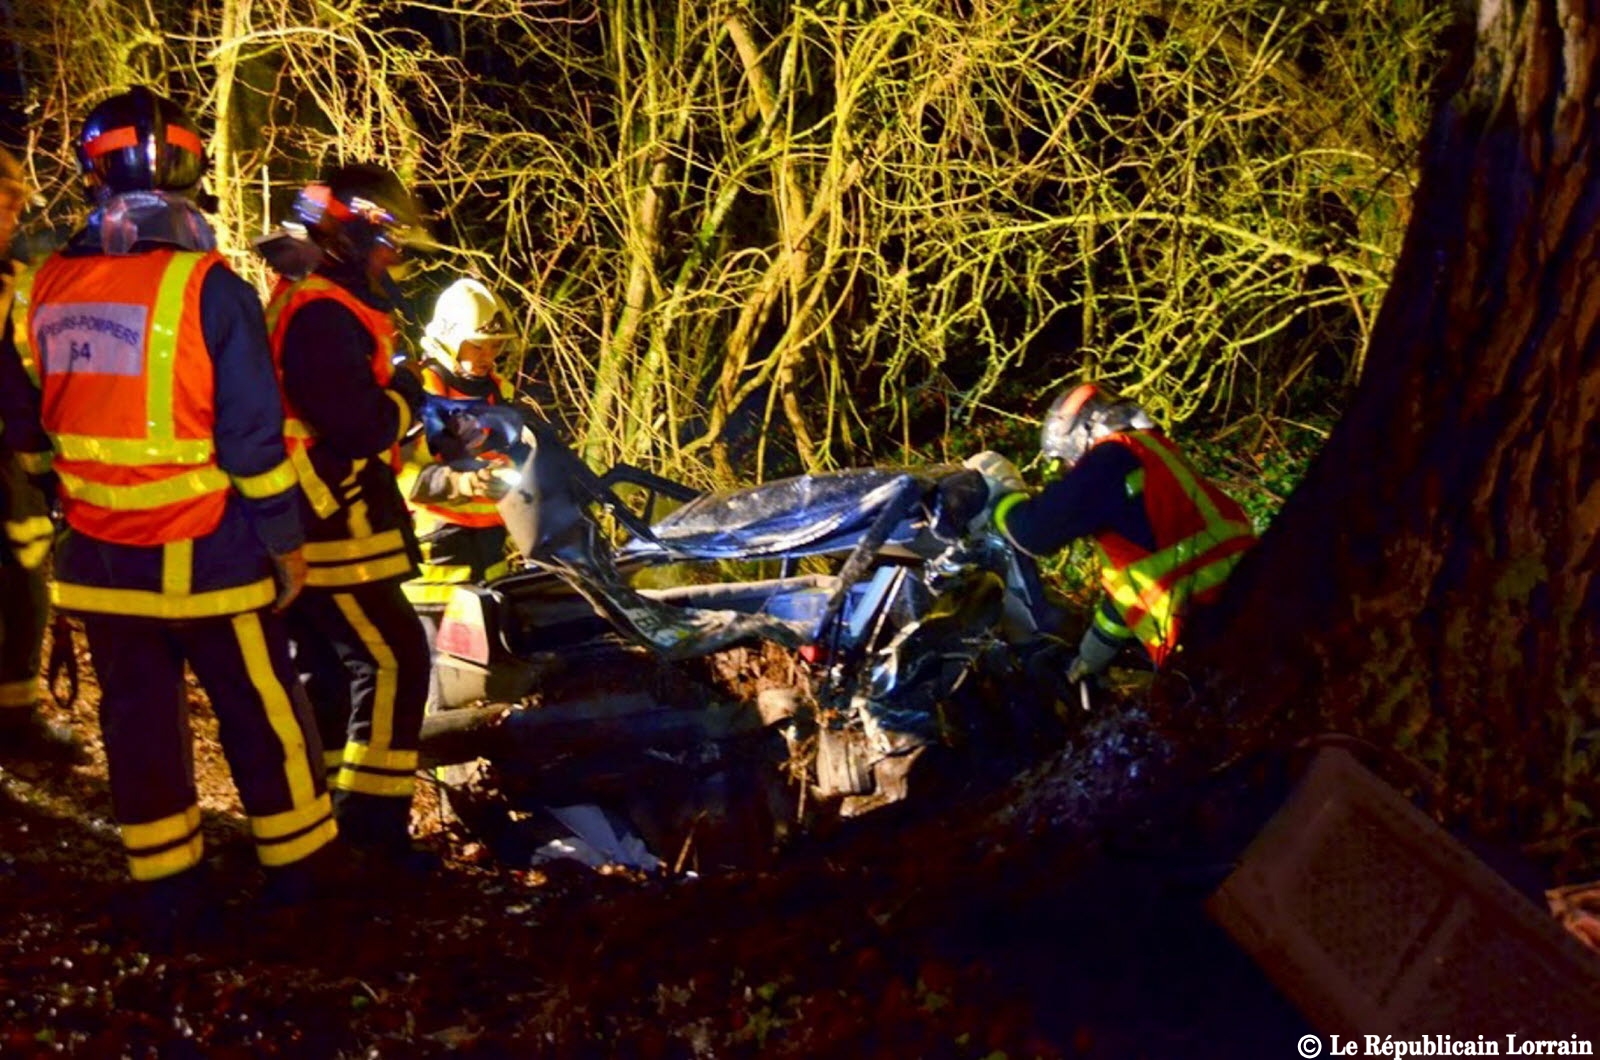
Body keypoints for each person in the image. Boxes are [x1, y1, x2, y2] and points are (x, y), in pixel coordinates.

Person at [0, 87, 335, 934]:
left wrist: (56, 490)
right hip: (208, 551)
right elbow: (253, 437)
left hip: (101, 558)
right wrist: (285, 542)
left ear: (92, 168)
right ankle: (299, 879)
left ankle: (167, 887)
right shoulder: (210, 287)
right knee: (261, 710)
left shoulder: (41, 287)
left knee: (138, 723)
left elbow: (24, 423)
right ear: (189, 170)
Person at [265, 163, 435, 869]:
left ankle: (331, 818)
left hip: (310, 509)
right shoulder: (325, 311)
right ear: (355, 234)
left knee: (330, 671)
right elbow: (358, 425)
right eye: (389, 241)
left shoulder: (310, 298)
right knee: (395, 655)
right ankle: (373, 826)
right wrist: (407, 397)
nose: (395, 258)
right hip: (332, 515)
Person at [978, 383, 1257, 682]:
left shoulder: (1112, 458)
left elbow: (1032, 534)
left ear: (1082, 434)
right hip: (1252, 609)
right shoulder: (1155, 457)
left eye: (1068, 457)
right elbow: (1135, 591)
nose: (1072, 468)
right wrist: (1092, 653)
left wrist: (1000, 495)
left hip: (1206, 637)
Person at [0, 145, 82, 762]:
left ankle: (15, 714)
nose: (13, 213)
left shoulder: (16, 284)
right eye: (4, 201)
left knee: (25, 577)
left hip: (9, 464)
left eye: (16, 202)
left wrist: (41, 466)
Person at [400, 278, 519, 620]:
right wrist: (461, 482)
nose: (488, 357)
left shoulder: (499, 391)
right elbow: (399, 476)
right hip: (435, 570)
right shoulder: (418, 391)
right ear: (452, 341)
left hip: (491, 556)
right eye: (478, 346)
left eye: (495, 346)